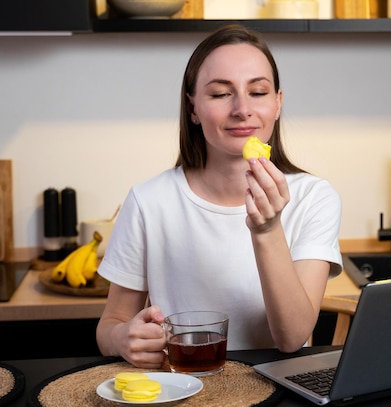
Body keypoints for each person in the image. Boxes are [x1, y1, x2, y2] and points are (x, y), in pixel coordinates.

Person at [95, 24, 342, 369]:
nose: (242, 109)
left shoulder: (314, 198)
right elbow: (111, 324)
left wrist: (267, 229)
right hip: (182, 390)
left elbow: (291, 338)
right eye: (220, 94)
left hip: (275, 390)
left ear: (278, 104)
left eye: (258, 92)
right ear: (193, 108)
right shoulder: (147, 201)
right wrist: (123, 338)